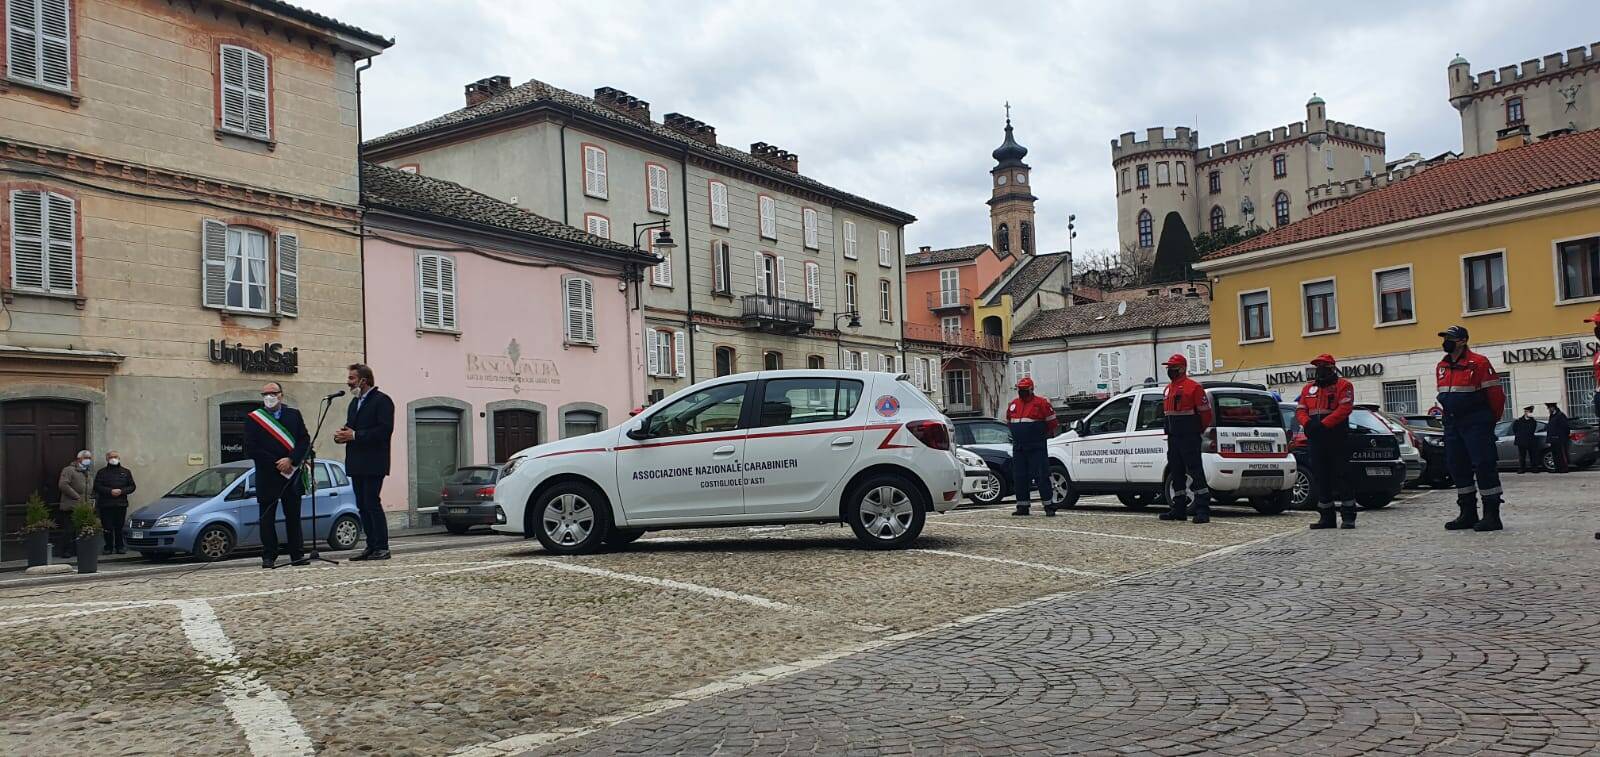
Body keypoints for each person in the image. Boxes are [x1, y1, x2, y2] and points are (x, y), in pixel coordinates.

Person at [1435, 325, 1506, 532]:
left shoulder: (1479, 362)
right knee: (1457, 466)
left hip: (1476, 421)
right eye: (1445, 337)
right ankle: (1467, 513)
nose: (1446, 341)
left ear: (1463, 341)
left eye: (1451, 338)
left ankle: (1492, 515)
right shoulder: (1442, 365)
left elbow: (1496, 395)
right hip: (1452, 422)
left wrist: (1489, 421)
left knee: (1484, 465)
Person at [243, 382, 310, 569]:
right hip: (268, 474)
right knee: (267, 518)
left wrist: (291, 460)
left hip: (291, 473)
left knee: (293, 516)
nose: (269, 396)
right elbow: (250, 448)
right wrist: (277, 463)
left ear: (281, 395)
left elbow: (304, 440)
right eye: (265, 394)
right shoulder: (254, 418)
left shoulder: (293, 415)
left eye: (273, 393)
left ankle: (297, 555)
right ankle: (269, 556)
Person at [336, 363, 395, 560]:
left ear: (364, 380)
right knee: (361, 504)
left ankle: (382, 546)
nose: (348, 382)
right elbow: (351, 428)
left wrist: (355, 435)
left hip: (374, 461)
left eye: (352, 378)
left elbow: (384, 431)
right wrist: (342, 435)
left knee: (372, 502)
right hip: (356, 461)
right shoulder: (354, 403)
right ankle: (370, 545)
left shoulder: (382, 401)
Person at [1296, 354, 1357, 529]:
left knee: (1342, 475)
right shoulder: (1308, 389)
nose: (1320, 370)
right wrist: (1307, 423)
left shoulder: (1344, 385)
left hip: (1337, 436)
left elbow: (1345, 408)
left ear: (1332, 368)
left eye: (1324, 366)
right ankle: (1326, 517)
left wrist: (1324, 424)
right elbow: (1301, 409)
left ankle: (1348, 516)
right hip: (1316, 437)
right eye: (1318, 367)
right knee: (1320, 476)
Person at [1160, 354, 1214, 524]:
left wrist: (1196, 430)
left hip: (1189, 436)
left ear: (1182, 368)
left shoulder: (1194, 388)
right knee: (1176, 472)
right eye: (1168, 367)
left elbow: (1206, 414)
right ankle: (1179, 509)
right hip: (1173, 437)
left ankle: (1203, 510)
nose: (1169, 370)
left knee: (1195, 472)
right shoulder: (1168, 389)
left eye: (1172, 367)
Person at [1005, 377, 1059, 517]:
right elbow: (1009, 421)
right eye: (1020, 390)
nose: (1021, 392)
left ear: (1031, 389)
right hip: (1019, 447)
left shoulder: (1041, 403)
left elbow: (1052, 423)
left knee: (1042, 475)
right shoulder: (1014, 404)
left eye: (1024, 390)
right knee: (1020, 477)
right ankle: (1022, 506)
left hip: (1036, 446)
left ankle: (1049, 506)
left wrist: (1039, 436)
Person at [92, 450, 136, 554]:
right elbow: (97, 486)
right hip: (106, 504)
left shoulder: (126, 472)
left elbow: (132, 486)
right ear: (107, 459)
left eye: (116, 456)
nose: (114, 459)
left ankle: (120, 546)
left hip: (121, 504)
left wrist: (121, 491)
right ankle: (108, 547)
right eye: (111, 457)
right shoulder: (102, 472)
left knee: (119, 526)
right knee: (107, 527)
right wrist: (110, 491)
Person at [56, 450, 94, 558]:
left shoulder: (87, 472)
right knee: (69, 529)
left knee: (80, 529)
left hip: (84, 506)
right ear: (79, 459)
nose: (88, 460)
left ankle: (77, 550)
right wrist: (77, 496)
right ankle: (65, 550)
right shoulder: (69, 470)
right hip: (71, 505)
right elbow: (63, 485)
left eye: (89, 458)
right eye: (86, 458)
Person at [1512, 406, 1539, 474]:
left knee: (1532, 455)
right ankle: (1522, 468)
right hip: (1521, 440)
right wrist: (1519, 435)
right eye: (1527, 411)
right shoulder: (1519, 420)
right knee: (1522, 456)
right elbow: (1514, 429)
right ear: (1525, 412)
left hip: (1530, 440)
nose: (1528, 413)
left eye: (1530, 411)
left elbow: (1532, 430)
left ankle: (1534, 468)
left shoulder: (1533, 421)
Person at [1546, 402, 1570, 474]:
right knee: (1555, 454)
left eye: (1550, 408)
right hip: (1553, 439)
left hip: (1560, 439)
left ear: (1554, 408)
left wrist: (1562, 436)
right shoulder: (1552, 416)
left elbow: (1565, 427)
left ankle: (1564, 468)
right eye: (1548, 408)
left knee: (1561, 454)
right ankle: (1557, 468)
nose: (1549, 409)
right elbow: (1550, 428)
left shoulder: (1560, 415)